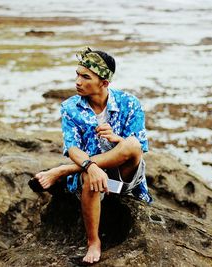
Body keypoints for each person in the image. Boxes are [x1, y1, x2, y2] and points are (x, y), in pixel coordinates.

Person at [34, 47, 152, 264]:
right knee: (90, 176)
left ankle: (63, 170)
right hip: (92, 179)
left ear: (104, 83)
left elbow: (139, 147)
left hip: (124, 177)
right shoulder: (71, 108)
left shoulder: (130, 103)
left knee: (131, 143)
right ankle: (93, 242)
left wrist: (116, 138)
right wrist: (90, 166)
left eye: (85, 77)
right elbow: (72, 149)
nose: (78, 81)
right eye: (77, 75)